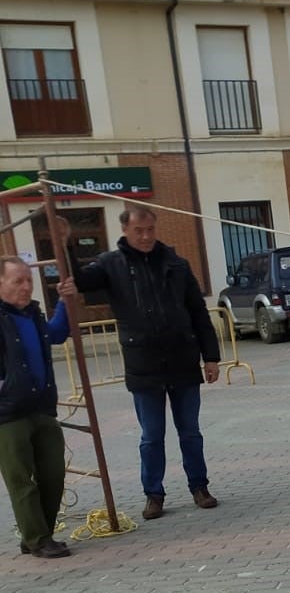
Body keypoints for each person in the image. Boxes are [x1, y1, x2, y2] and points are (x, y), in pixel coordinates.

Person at [68, 206, 220, 520]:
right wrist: (66, 243)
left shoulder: (176, 263)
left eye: (150, 229)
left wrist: (212, 357)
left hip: (182, 360)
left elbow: (198, 313)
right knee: (151, 435)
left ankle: (199, 487)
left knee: (190, 431)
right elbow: (81, 281)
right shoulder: (111, 264)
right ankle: (153, 494)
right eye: (139, 230)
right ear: (125, 229)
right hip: (143, 365)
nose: (147, 236)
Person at [0, 257, 73, 558]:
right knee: (21, 479)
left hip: (42, 407)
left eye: (28, 280)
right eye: (18, 280)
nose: (26, 286)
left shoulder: (33, 315)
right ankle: (37, 538)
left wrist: (65, 302)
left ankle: (38, 533)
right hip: (8, 413)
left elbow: (57, 333)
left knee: (54, 473)